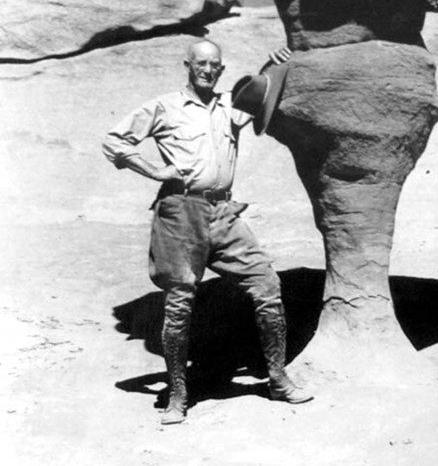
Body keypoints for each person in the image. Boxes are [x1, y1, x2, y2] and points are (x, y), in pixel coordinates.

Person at [102, 38, 312, 425]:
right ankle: (178, 392)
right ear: (188, 65)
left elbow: (257, 94)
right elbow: (114, 141)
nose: (207, 69)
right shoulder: (164, 106)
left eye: (214, 64)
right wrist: (154, 170)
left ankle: (278, 379)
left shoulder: (230, 106)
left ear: (221, 69)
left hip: (224, 212)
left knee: (266, 284)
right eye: (200, 63)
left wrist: (271, 63)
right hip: (180, 212)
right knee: (180, 301)